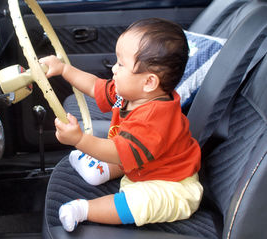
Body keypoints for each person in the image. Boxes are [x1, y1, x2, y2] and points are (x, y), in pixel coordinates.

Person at [40, 18, 203, 232]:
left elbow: (118, 152)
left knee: (138, 203)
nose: (114, 69)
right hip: (146, 163)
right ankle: (101, 170)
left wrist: (79, 140)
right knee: (128, 152)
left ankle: (84, 209)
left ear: (149, 82)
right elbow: (93, 85)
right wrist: (63, 69)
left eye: (121, 64)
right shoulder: (128, 94)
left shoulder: (155, 121)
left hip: (173, 184)